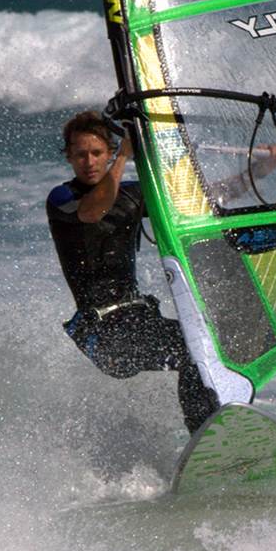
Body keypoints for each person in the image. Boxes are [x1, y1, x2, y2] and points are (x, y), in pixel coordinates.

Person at [45, 110, 220, 432]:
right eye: (81, 154)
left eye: (97, 153)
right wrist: (124, 156)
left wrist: (257, 172)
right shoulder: (62, 198)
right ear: (68, 157)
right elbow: (94, 212)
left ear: (107, 152)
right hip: (104, 335)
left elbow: (195, 202)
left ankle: (215, 428)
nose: (89, 161)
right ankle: (204, 432)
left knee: (205, 346)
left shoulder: (133, 194)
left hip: (139, 319)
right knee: (191, 350)